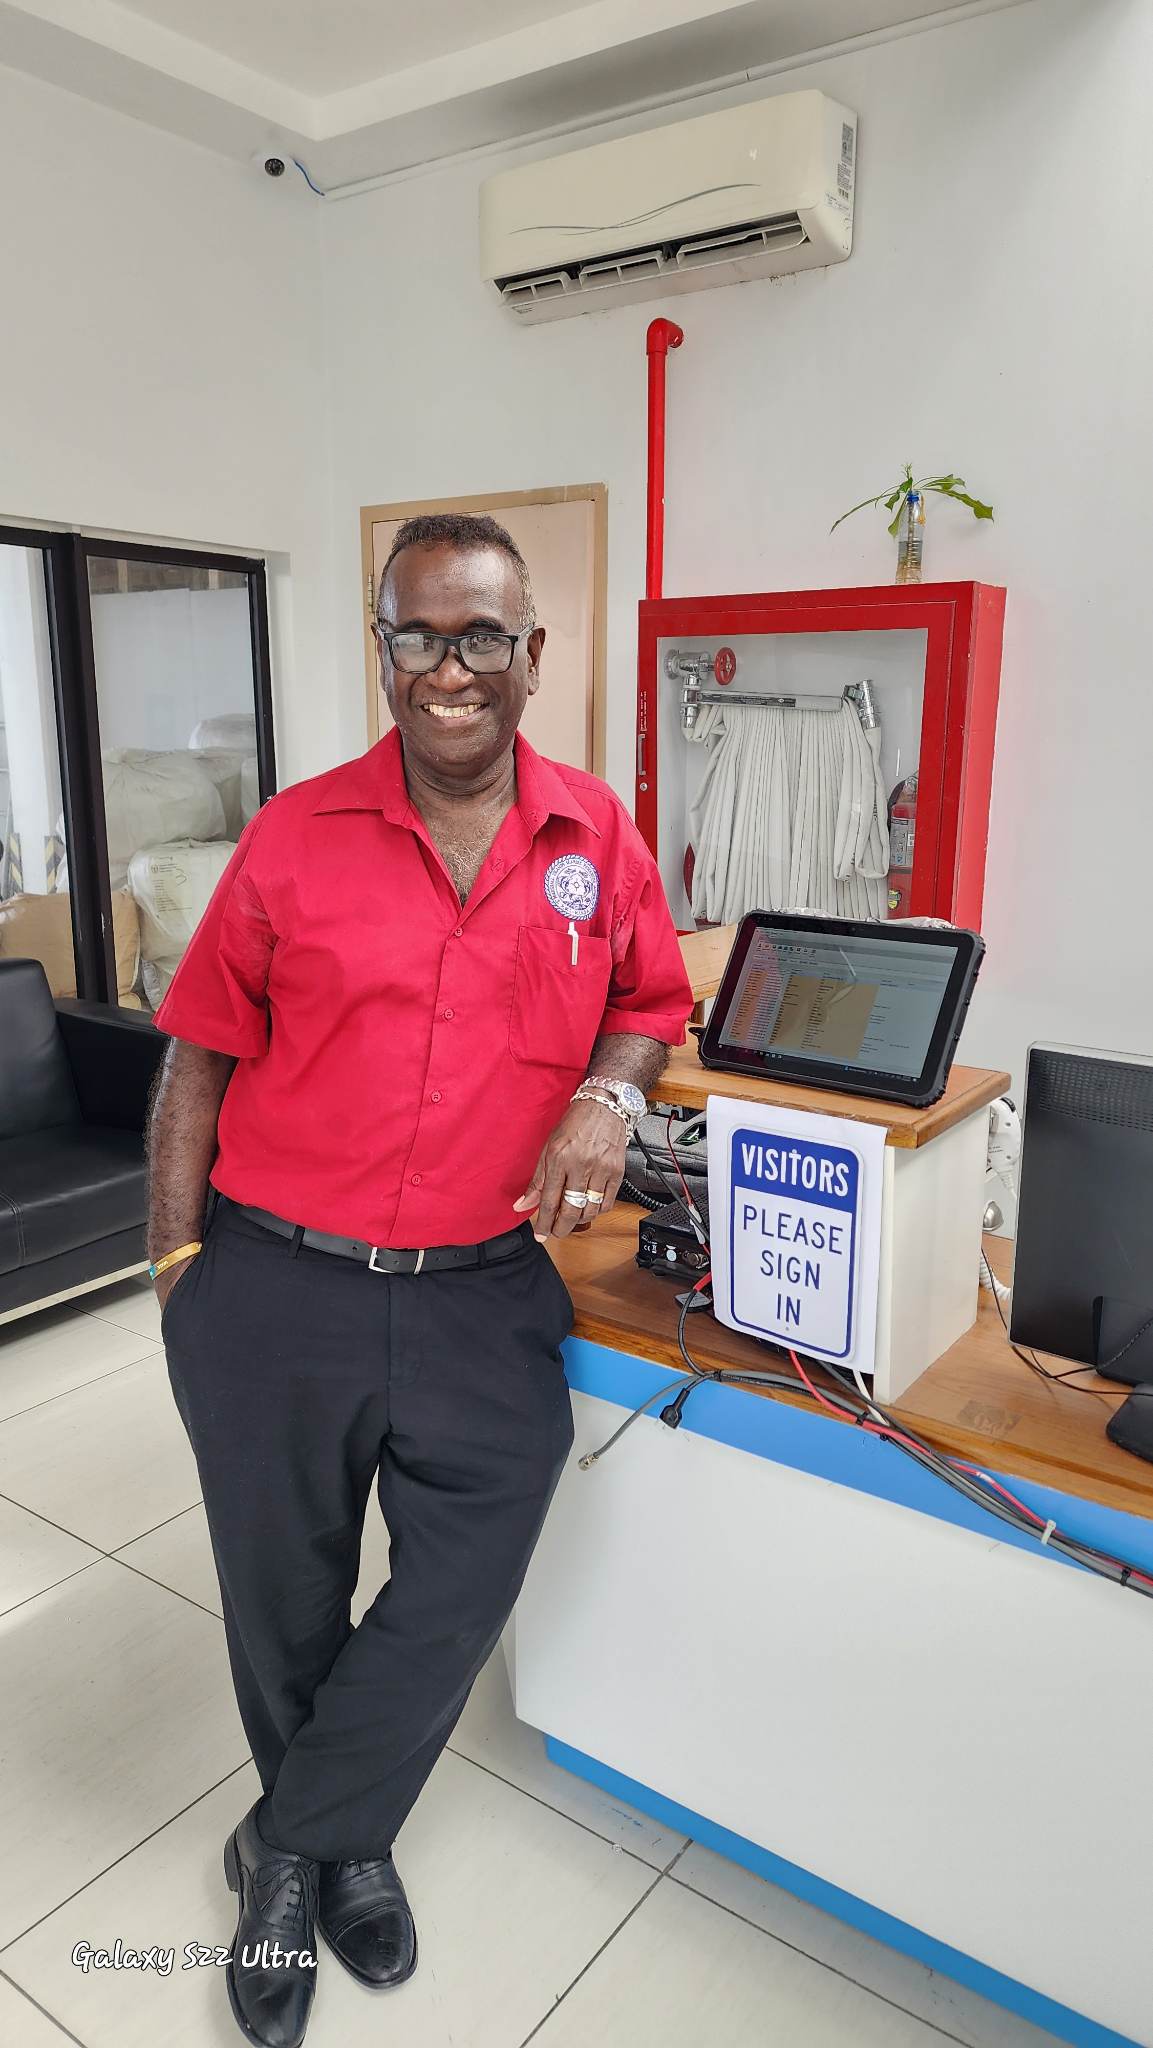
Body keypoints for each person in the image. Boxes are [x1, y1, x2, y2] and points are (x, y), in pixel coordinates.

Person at [147, 510, 694, 2048]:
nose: (445, 668)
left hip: (477, 1290)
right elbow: (196, 1055)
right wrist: (177, 1268)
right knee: (285, 1595)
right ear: (379, 652)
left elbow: (649, 1000)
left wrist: (615, 1091)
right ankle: (346, 1848)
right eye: (414, 634)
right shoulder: (294, 834)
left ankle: (291, 1838)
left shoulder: (597, 832)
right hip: (271, 1283)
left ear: (530, 653)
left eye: (477, 636)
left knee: (462, 1580)